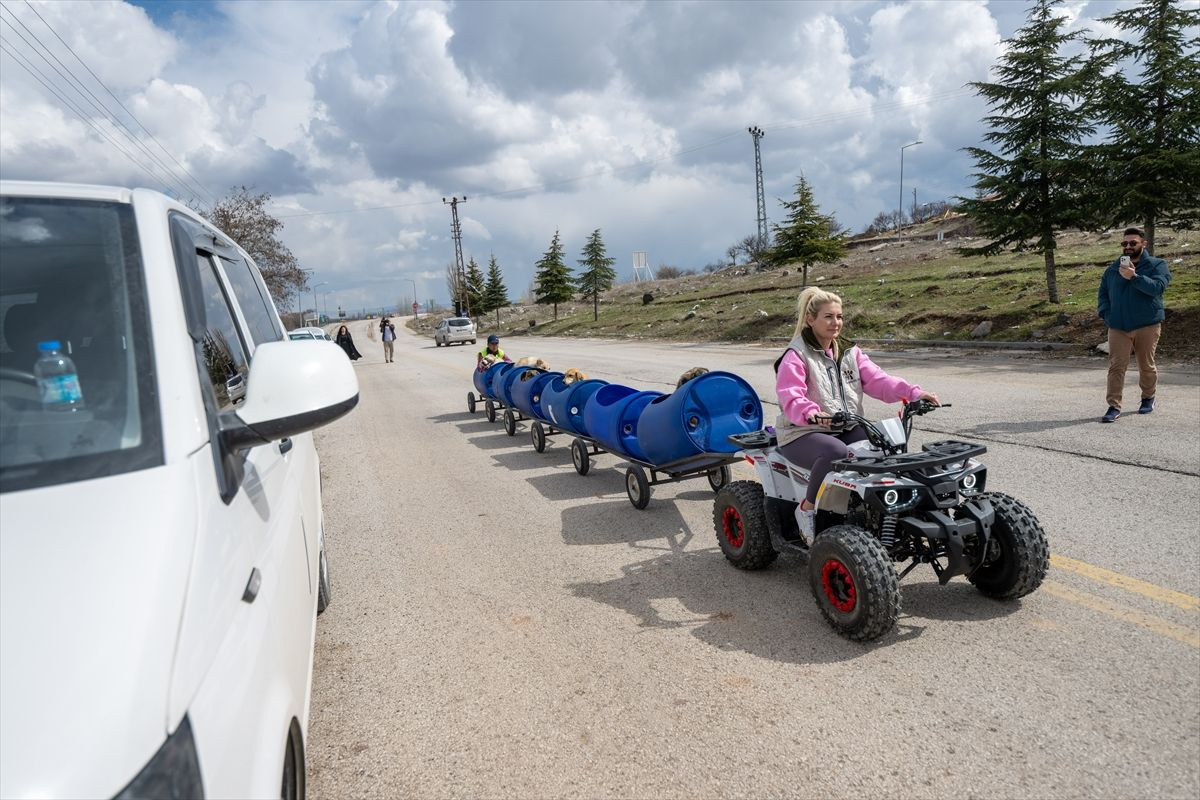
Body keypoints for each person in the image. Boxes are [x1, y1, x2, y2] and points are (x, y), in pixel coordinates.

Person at [774, 287, 939, 538]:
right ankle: (806, 509)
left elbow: (880, 381)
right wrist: (812, 413)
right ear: (810, 319)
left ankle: (885, 512)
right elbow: (790, 395)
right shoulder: (796, 355)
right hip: (802, 432)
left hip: (844, 426)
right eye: (828, 316)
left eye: (839, 316)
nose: (836, 322)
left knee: (887, 444)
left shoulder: (850, 352)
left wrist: (914, 394)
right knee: (835, 453)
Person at [1097, 227, 1171, 422]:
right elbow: (1103, 293)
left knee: (1146, 365)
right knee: (1116, 367)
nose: (1128, 246)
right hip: (1118, 326)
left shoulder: (1157, 265)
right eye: (1125, 243)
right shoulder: (1112, 269)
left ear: (1143, 244)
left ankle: (1148, 398)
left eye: (1133, 243)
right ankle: (1114, 406)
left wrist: (1134, 277)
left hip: (1147, 324)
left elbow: (1158, 288)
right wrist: (1106, 314)